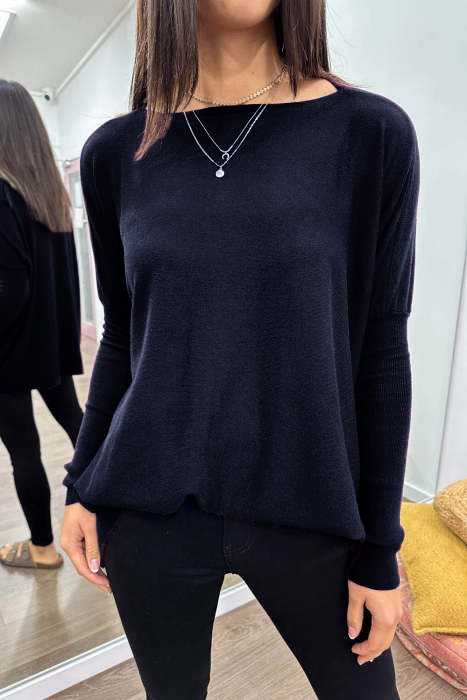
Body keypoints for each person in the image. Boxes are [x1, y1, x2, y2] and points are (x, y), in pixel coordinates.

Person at [60, 0, 420, 697]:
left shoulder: (370, 134)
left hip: (315, 507)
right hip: (149, 512)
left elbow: (381, 353)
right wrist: (80, 484)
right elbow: (125, 337)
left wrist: (381, 548)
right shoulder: (115, 153)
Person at [0, 80, 84, 569]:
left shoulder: (2, 192)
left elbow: (11, 287)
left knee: (24, 451)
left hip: (10, 352)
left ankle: (43, 550)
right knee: (80, 426)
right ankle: (121, 516)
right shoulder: (49, 191)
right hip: (49, 344)